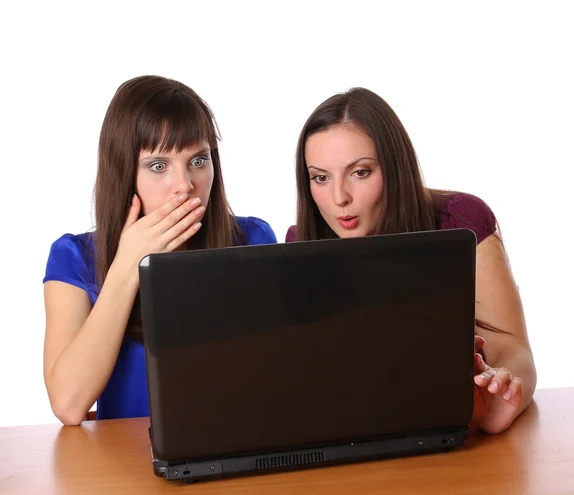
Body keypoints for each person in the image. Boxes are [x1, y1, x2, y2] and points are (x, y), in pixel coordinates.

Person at [286, 87, 536, 434]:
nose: (339, 198)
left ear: (393, 166)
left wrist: (502, 395)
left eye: (360, 172)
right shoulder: (299, 245)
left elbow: (513, 347)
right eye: (321, 177)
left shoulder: (460, 219)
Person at [43, 76, 277, 425]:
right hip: (123, 471)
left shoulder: (253, 238)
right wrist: (128, 263)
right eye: (158, 166)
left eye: (199, 161)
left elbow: (279, 381)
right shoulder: (74, 257)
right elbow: (69, 403)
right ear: (124, 175)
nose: (185, 185)